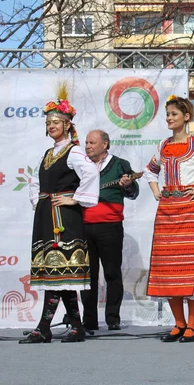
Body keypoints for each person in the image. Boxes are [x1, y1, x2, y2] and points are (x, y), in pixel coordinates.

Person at [20, 86, 99, 344]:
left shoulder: (74, 151)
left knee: (58, 272)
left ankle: (44, 327)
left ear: (67, 125)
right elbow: (36, 180)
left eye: (56, 122)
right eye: (48, 122)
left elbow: (91, 173)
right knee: (58, 274)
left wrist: (76, 198)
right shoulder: (48, 153)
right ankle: (76, 326)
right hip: (47, 214)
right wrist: (38, 201)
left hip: (63, 219)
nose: (51, 126)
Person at [144, 95, 194, 343]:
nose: (169, 118)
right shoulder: (164, 145)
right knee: (168, 269)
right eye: (167, 114)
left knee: (193, 267)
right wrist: (156, 190)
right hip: (167, 210)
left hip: (189, 210)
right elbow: (150, 170)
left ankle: (193, 325)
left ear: (186, 117)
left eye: (174, 114)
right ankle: (178, 323)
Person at [80, 130, 139, 331]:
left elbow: (134, 192)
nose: (87, 146)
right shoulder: (80, 165)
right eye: (86, 142)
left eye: (92, 142)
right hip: (84, 226)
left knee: (112, 273)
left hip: (110, 226)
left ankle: (113, 317)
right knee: (88, 275)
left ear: (105, 144)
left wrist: (128, 185)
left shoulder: (120, 164)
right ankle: (89, 320)